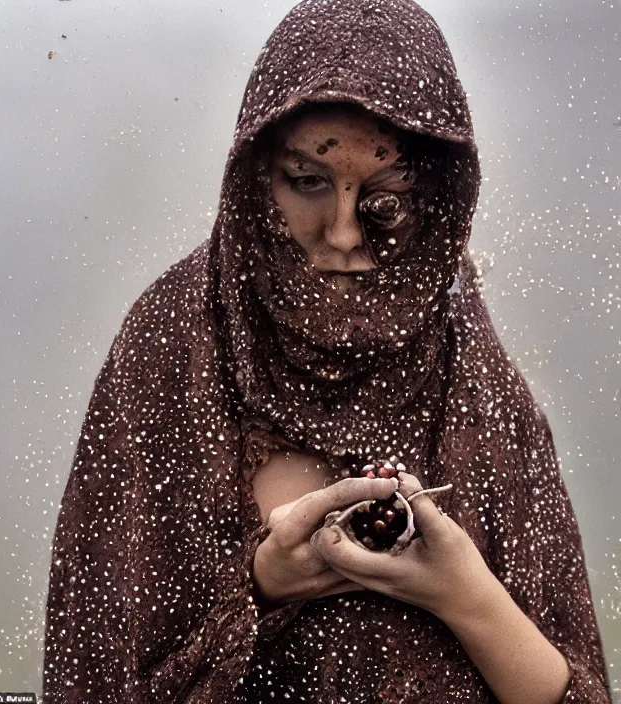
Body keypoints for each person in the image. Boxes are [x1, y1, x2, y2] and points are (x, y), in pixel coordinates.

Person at [41, 0, 611, 702]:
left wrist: (464, 595)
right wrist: (261, 587)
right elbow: (96, 672)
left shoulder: (468, 366)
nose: (343, 233)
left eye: (384, 193)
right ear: (256, 178)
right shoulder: (173, 348)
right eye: (308, 182)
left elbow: (568, 687)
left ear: (436, 197)